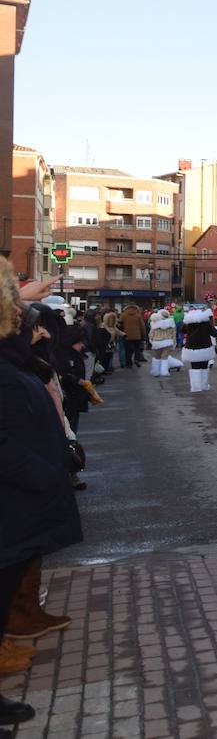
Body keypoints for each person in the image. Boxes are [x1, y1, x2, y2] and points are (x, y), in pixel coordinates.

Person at [0, 257, 82, 697]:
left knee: (18, 558)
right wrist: (39, 471)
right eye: (11, 297)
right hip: (19, 479)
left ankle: (20, 617)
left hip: (28, 475)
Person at [181, 306, 216, 393]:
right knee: (204, 367)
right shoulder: (206, 324)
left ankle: (196, 387)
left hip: (192, 349)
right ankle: (204, 385)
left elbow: (182, 330)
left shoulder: (189, 324)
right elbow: (215, 333)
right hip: (205, 348)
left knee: (195, 368)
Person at [147, 309, 176, 377]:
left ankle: (155, 371)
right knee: (165, 357)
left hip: (157, 342)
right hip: (168, 341)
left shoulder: (155, 323)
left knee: (157, 356)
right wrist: (174, 342)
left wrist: (151, 340)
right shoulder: (171, 322)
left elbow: (151, 333)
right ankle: (164, 372)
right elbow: (174, 334)